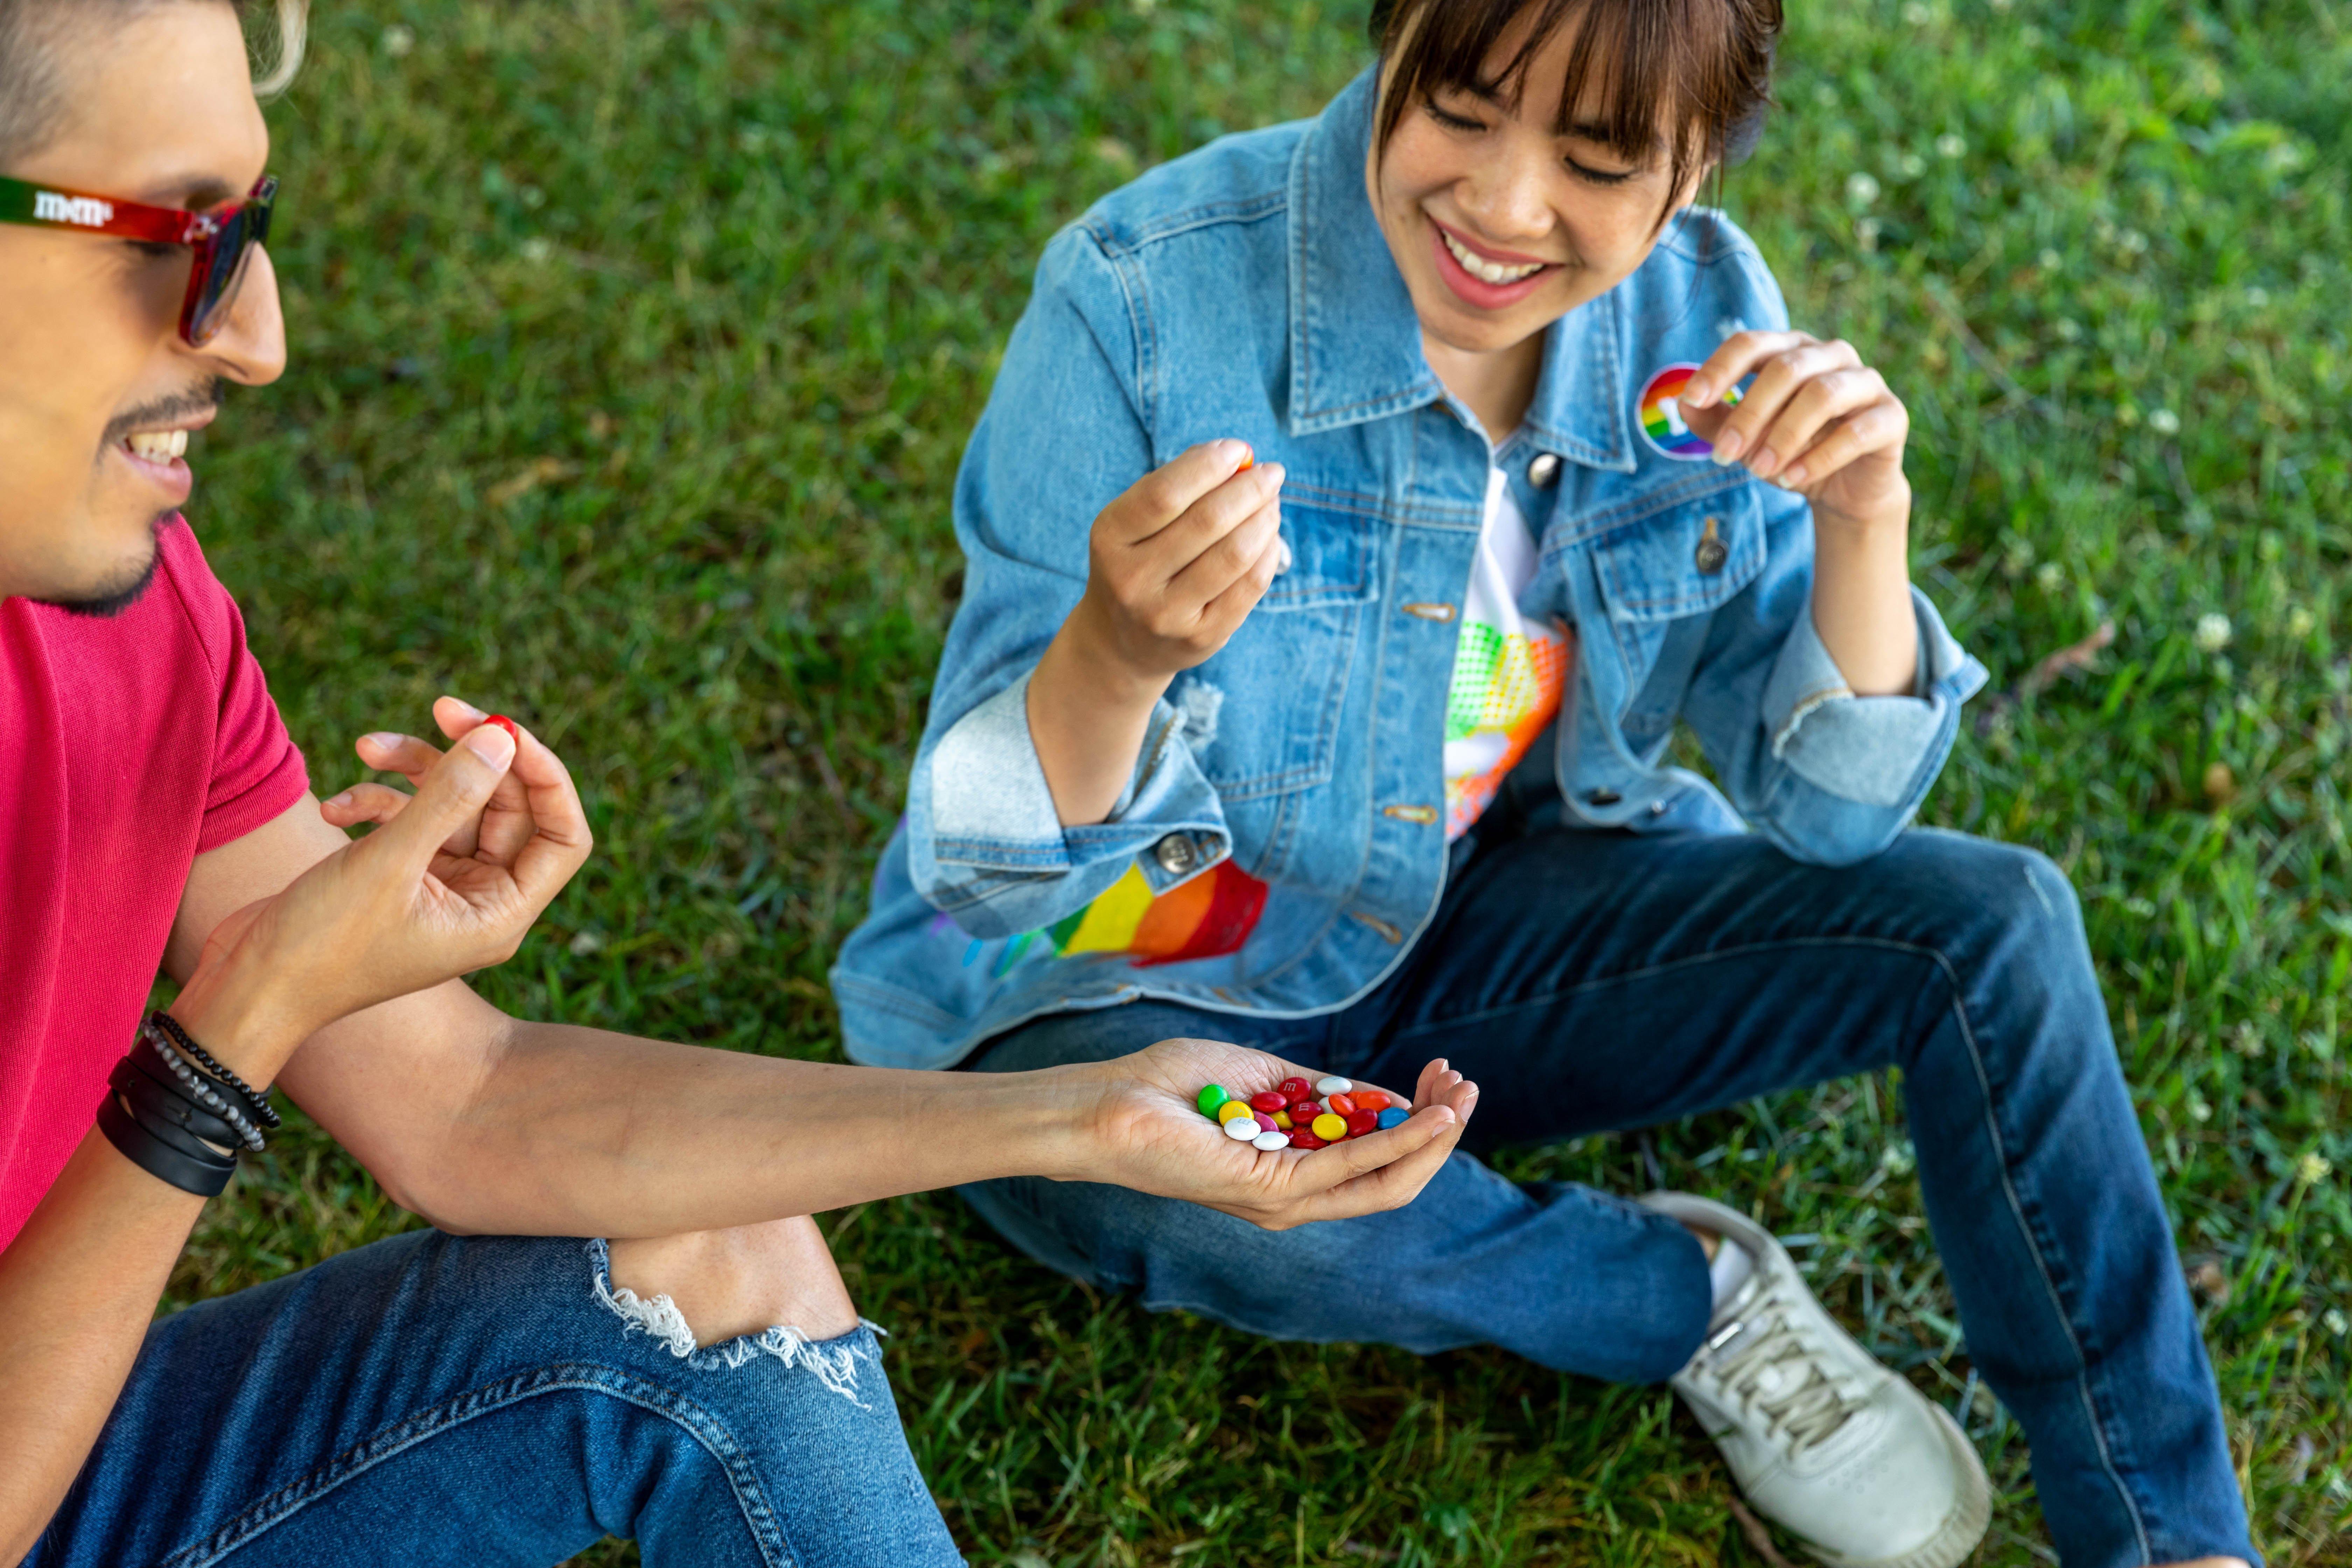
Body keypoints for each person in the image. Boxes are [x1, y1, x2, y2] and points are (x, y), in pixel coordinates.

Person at [0, 3, 1484, 1564]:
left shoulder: (140, 617)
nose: (256, 334)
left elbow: (463, 1096)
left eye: (254, 230)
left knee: (707, 1262)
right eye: (179, 238)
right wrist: (230, 1033)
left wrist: (1089, 1115)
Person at [831, 0, 2260, 1562]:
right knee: (1185, 1190)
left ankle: (2172, 1533)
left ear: (1695, 165)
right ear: (1392, 42)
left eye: (1594, 159)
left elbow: (1833, 816)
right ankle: (1685, 1296)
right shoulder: (1147, 300)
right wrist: (1112, 654)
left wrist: (1864, 519)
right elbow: (989, 872)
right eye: (1458, 107)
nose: (1505, 209)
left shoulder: (1696, 326)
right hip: (1119, 979)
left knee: (1995, 923)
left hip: (1482, 914)